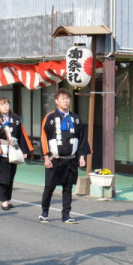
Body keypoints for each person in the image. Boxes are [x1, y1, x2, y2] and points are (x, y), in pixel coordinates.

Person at [39, 89, 89, 223]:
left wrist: (82, 156)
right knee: (49, 187)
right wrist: (46, 157)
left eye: (67, 98)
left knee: (68, 188)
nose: (66, 101)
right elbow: (44, 137)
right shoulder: (50, 117)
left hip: (71, 159)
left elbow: (82, 138)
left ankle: (66, 214)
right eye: (63, 98)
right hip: (54, 159)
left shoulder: (76, 118)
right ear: (56, 101)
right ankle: (44, 212)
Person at [0, 97, 32, 209]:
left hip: (14, 150)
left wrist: (24, 150)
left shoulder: (15, 118)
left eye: (7, 104)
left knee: (11, 175)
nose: (5, 106)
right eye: (2, 105)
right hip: (2, 151)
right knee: (3, 177)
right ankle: (3, 200)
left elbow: (21, 134)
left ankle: (8, 199)